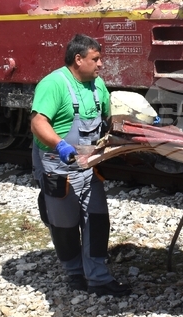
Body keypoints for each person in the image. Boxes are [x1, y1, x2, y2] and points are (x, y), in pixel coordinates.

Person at [30, 34, 131, 296]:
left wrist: (140, 125)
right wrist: (59, 145)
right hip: (58, 166)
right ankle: (74, 272)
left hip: (88, 165)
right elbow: (38, 122)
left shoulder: (97, 85)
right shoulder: (54, 84)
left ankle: (98, 278)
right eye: (95, 59)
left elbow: (110, 116)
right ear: (78, 59)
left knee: (97, 220)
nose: (101, 64)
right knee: (64, 224)